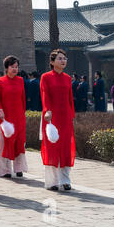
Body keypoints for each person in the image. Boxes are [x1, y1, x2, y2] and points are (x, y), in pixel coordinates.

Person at [40, 49, 75, 191]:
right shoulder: (46, 77)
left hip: (65, 116)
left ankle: (65, 180)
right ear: (52, 62)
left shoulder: (67, 78)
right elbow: (45, 95)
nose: (63, 61)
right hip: (51, 117)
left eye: (65, 58)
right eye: (60, 58)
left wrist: (72, 115)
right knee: (52, 147)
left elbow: (70, 98)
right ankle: (52, 181)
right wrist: (47, 110)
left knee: (66, 147)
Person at [0, 56, 28, 178]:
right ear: (6, 68)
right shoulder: (0, 81)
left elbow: (23, 99)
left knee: (19, 142)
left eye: (16, 67)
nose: (14, 69)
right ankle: (5, 170)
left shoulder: (20, 80)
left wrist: (23, 113)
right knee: (5, 142)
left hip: (19, 116)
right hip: (5, 116)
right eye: (12, 67)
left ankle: (19, 168)